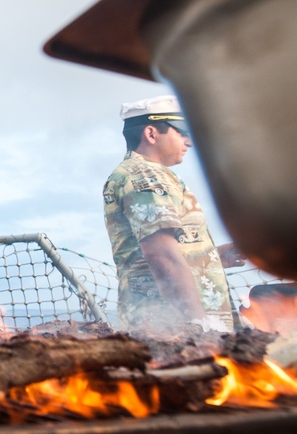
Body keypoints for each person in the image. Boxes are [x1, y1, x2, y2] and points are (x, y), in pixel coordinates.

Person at [102, 95, 244, 335]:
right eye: (181, 132)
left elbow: (150, 253)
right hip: (173, 331)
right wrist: (199, 326)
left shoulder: (143, 174)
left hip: (167, 326)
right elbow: (161, 255)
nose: (188, 141)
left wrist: (210, 258)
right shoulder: (145, 177)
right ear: (151, 133)